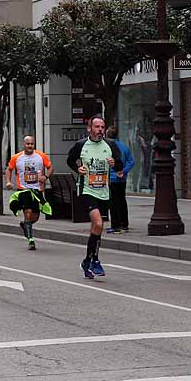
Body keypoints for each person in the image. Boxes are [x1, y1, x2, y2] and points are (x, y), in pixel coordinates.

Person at [67, 115, 121, 279]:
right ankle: (95, 260)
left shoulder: (110, 145)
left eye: (102, 127)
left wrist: (114, 164)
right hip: (86, 190)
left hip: (103, 191)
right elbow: (70, 160)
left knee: (97, 228)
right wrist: (78, 169)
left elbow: (120, 165)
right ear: (89, 128)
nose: (100, 130)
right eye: (97, 127)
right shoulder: (81, 145)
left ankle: (88, 260)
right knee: (97, 222)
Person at [6, 136, 53, 251]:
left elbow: (50, 167)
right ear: (24, 144)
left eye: (32, 144)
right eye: (28, 144)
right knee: (28, 212)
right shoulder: (17, 157)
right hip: (24, 190)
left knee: (35, 216)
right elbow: (9, 169)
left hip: (37, 190)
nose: (30, 146)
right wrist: (8, 181)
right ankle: (31, 240)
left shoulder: (41, 156)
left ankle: (26, 225)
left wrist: (45, 176)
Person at [105, 126, 135, 234]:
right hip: (122, 178)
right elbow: (131, 161)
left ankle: (116, 225)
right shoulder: (124, 146)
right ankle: (124, 224)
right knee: (122, 200)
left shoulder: (107, 147)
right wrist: (123, 171)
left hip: (112, 178)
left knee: (113, 202)